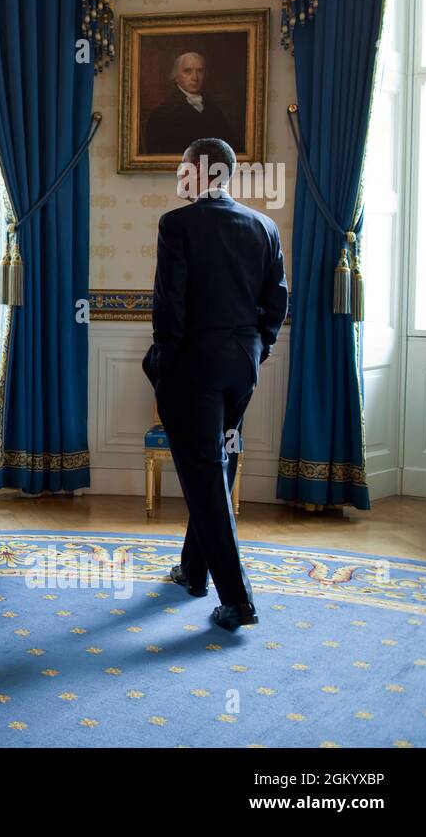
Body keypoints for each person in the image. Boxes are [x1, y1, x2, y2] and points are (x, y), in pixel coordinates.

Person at [143, 137, 287, 631]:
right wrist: (258, 349)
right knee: (218, 467)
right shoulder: (264, 226)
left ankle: (238, 599)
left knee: (205, 477)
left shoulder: (176, 225)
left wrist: (163, 362)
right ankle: (193, 569)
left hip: (193, 365)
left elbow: (170, 305)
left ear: (205, 172)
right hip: (241, 364)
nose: (179, 179)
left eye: (184, 170)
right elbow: (277, 302)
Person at [144, 52, 240, 155]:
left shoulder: (214, 109)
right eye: (187, 71)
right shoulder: (161, 113)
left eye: (200, 71)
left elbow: (231, 146)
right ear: (176, 77)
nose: (195, 78)